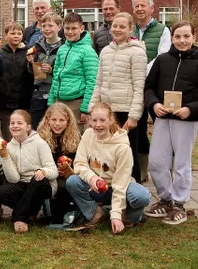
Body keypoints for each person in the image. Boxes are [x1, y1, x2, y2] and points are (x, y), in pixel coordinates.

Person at [144, 20, 198, 225]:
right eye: (177, 36)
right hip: (163, 117)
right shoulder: (162, 60)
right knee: (157, 161)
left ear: (194, 38)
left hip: (185, 120)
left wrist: (190, 109)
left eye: (186, 36)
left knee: (182, 164)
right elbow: (148, 87)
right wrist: (154, 104)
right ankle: (165, 199)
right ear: (172, 38)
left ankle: (179, 204)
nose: (182, 40)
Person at [65, 103, 151, 233]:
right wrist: (92, 177)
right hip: (97, 187)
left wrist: (116, 214)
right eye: (94, 120)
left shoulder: (122, 147)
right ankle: (96, 213)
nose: (98, 125)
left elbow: (121, 182)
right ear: (89, 121)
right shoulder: (88, 135)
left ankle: (129, 218)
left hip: (120, 186)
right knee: (72, 181)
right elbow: (79, 163)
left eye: (102, 120)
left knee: (141, 195)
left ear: (111, 120)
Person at [88, 12, 147, 182]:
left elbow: (139, 86)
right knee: (108, 154)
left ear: (130, 29)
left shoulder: (137, 53)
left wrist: (134, 116)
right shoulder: (106, 51)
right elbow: (99, 82)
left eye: (122, 26)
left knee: (128, 154)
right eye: (115, 26)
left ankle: (132, 194)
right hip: (108, 112)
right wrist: (93, 109)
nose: (117, 29)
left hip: (126, 111)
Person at [0, 110, 57, 233]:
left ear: (28, 127)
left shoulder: (40, 143)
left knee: (37, 179)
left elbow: (53, 170)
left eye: (19, 123)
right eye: (12, 123)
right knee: (1, 192)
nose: (15, 126)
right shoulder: (8, 147)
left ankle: (19, 217)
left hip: (43, 184)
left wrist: (43, 171)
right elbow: (14, 179)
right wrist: (4, 156)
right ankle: (31, 212)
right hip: (23, 184)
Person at [131, 0, 171, 181]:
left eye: (143, 5)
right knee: (137, 128)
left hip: (154, 86)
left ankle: (167, 170)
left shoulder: (163, 30)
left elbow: (162, 57)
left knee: (162, 127)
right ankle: (143, 170)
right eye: (136, 6)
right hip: (134, 87)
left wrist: (141, 70)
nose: (140, 9)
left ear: (152, 8)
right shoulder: (130, 30)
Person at [47, 12, 98, 133]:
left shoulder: (88, 52)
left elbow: (92, 82)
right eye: (67, 28)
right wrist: (51, 101)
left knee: (75, 136)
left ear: (81, 28)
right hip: (59, 100)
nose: (70, 32)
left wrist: (85, 109)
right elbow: (56, 77)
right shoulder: (62, 49)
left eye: (74, 28)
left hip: (77, 101)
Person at [37, 102, 81, 224]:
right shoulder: (40, 138)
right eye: (54, 119)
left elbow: (79, 161)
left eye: (61, 120)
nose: (57, 124)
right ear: (47, 120)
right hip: (47, 174)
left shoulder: (76, 138)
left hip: (66, 176)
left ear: (68, 121)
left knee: (66, 185)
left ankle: (65, 213)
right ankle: (46, 211)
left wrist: (68, 167)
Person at [0, 22, 33, 140]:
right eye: (12, 33)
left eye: (19, 33)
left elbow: (33, 75)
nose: (16, 36)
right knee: (8, 135)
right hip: (5, 102)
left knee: (23, 135)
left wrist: (31, 63)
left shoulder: (28, 53)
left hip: (24, 102)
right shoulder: (0, 54)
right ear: (5, 35)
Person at [27, 12, 64, 129]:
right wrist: (30, 63)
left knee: (53, 128)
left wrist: (51, 70)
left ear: (59, 27)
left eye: (50, 26)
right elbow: (31, 72)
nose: (47, 29)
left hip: (54, 94)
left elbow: (66, 72)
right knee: (35, 128)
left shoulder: (64, 47)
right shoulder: (37, 46)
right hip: (38, 94)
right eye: (44, 26)